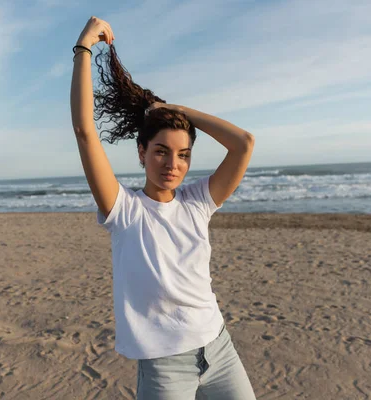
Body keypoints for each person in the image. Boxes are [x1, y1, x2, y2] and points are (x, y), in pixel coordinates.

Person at [70, 16, 257, 400]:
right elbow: (85, 131)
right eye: (161, 152)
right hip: (164, 366)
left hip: (219, 349)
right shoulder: (124, 210)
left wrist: (177, 110)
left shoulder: (198, 202)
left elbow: (243, 143)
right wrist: (83, 49)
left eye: (183, 155)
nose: (173, 164)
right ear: (142, 152)